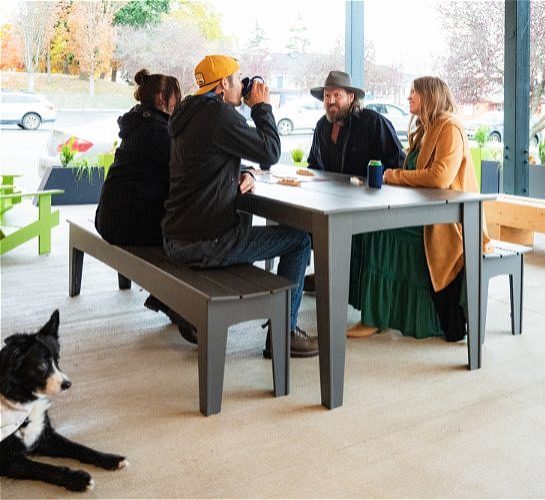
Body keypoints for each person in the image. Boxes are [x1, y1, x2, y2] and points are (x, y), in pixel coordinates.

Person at [161, 55, 318, 358]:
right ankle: (284, 334)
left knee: (247, 218)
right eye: (238, 79)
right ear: (223, 84)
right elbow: (270, 153)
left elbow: (208, 160)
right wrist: (261, 106)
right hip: (204, 242)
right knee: (299, 240)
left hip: (177, 235)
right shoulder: (218, 115)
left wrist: (241, 172)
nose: (242, 85)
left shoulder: (188, 114)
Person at [348, 76, 491, 341]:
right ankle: (378, 313)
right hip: (425, 213)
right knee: (368, 227)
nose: (409, 97)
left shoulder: (450, 127)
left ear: (430, 95)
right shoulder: (427, 128)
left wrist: (394, 176)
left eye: (414, 92)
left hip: (452, 220)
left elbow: (439, 177)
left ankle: (376, 317)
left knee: (379, 231)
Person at [95, 69, 197, 344]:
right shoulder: (156, 131)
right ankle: (179, 303)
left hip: (112, 216)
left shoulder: (141, 123)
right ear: (164, 98)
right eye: (178, 95)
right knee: (191, 231)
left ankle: (167, 297)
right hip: (126, 222)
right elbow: (188, 168)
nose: (181, 101)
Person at [304, 71, 406, 291]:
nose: (330, 101)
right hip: (331, 202)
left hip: (369, 204)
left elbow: (398, 161)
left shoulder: (372, 121)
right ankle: (326, 274)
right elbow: (313, 164)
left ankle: (344, 280)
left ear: (351, 97)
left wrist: (375, 183)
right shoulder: (322, 126)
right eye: (326, 96)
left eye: (336, 95)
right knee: (303, 223)